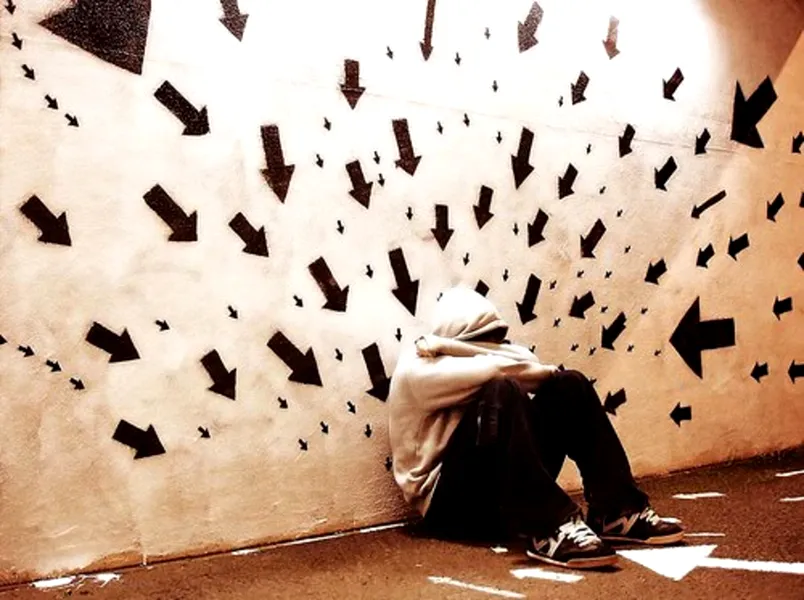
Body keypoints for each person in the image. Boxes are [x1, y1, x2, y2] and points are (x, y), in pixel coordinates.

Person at [388, 286, 684, 569]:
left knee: (569, 384)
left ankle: (616, 511)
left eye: (496, 341)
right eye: (483, 342)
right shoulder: (417, 370)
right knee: (503, 390)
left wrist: (459, 348)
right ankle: (547, 525)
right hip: (451, 508)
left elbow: (529, 361)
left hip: (501, 496)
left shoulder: (457, 353)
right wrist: (469, 352)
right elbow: (497, 369)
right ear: (458, 338)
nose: (493, 349)